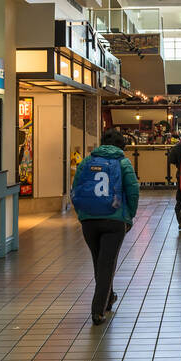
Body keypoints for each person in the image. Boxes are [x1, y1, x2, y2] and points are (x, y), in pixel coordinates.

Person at [71, 129, 139, 325]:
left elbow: (75, 188)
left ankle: (108, 297)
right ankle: (98, 310)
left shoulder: (86, 161)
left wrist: (82, 213)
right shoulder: (123, 162)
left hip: (89, 220)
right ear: (122, 145)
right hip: (114, 218)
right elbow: (133, 191)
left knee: (98, 261)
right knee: (107, 264)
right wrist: (129, 215)